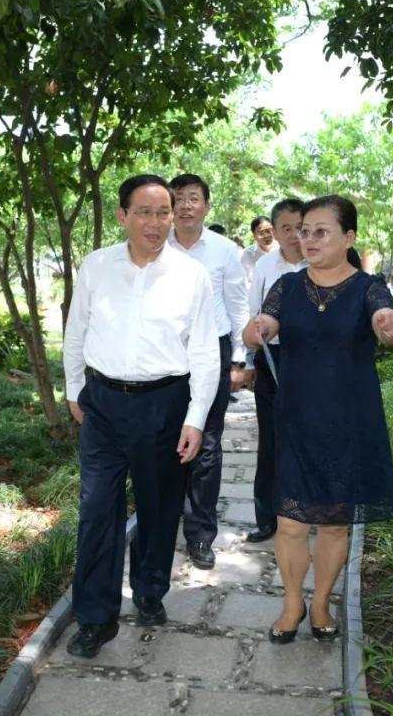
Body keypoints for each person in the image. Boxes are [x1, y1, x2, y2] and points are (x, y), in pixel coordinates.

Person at [243, 195, 393, 644]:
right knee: (290, 521)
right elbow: (265, 322)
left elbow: (382, 321)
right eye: (305, 231)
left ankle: (321, 601)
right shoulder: (287, 286)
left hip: (348, 423)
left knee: (335, 522)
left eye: (321, 231)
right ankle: (292, 603)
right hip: (295, 420)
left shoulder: (368, 288)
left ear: (349, 237)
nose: (309, 239)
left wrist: (390, 329)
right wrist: (256, 330)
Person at [63, 174, 220, 658]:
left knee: (159, 506)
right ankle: (95, 618)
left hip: (164, 404)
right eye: (145, 212)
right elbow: (76, 331)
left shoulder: (190, 274)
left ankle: (150, 589)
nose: (156, 222)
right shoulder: (97, 266)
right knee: (96, 511)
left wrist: (195, 418)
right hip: (104, 404)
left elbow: (205, 352)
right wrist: (74, 390)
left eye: (164, 212)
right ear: (123, 216)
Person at [168, 173, 250, 570]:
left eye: (193, 198)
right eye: (179, 198)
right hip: (165, 353)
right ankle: (163, 521)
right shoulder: (155, 243)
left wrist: (239, 359)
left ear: (206, 205)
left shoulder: (224, 250)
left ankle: (200, 534)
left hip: (213, 350)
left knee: (207, 440)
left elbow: (238, 306)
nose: (186, 205)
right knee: (166, 437)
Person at [242, 199, 305, 544]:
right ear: (275, 233)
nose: (295, 235)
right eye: (286, 228)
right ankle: (267, 518)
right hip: (273, 357)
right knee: (271, 440)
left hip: (313, 361)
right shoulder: (266, 265)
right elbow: (255, 315)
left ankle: (311, 511)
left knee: (310, 436)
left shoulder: (322, 260)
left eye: (301, 227)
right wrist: (251, 362)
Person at [240, 216, 277, 288]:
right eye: (261, 233)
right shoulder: (248, 253)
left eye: (268, 231)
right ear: (254, 236)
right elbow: (245, 279)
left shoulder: (283, 248)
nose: (266, 236)